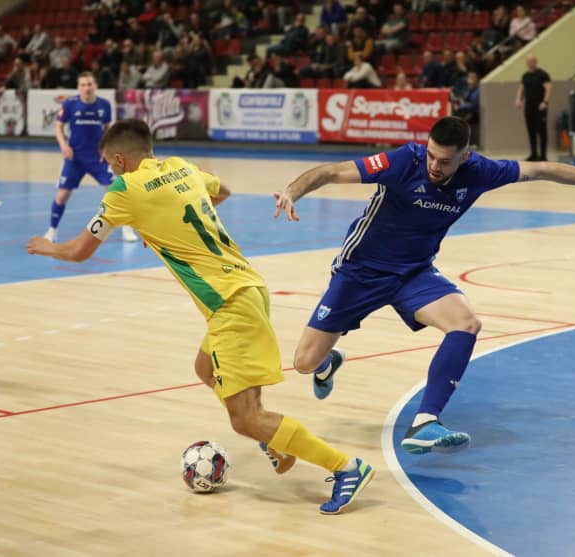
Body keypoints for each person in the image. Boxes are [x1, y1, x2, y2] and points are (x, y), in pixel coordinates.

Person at [26, 119, 375, 515]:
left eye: (108, 163)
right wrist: (167, 222)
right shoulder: (181, 166)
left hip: (230, 305)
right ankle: (276, 441)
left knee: (245, 419)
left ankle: (346, 467)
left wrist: (47, 247)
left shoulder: (124, 189)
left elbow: (79, 251)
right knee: (205, 368)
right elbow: (223, 191)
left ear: (120, 160)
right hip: (246, 288)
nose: (109, 171)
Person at [272, 116, 575, 455]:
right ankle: (326, 363)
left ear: (464, 156)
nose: (434, 165)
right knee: (304, 362)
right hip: (361, 272)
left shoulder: (480, 171)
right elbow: (331, 171)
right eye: (431, 155)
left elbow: (543, 169)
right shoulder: (403, 161)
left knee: (466, 323)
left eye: (445, 161)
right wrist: (292, 191)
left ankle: (425, 422)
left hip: (413, 273)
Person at [44, 72, 138, 243]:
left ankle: (127, 228)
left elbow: (108, 129)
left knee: (116, 191)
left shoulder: (104, 105)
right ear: (78, 87)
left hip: (98, 158)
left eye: (89, 84)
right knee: (62, 195)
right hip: (75, 158)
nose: (86, 88)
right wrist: (63, 145)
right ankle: (52, 230)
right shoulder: (70, 104)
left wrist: (108, 149)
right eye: (83, 85)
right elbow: (58, 125)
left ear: (95, 86)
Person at [515, 54, 551, 161]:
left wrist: (545, 102)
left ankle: (543, 155)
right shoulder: (525, 75)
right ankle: (534, 154)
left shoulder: (543, 74)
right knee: (531, 130)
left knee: (542, 131)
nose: (530, 63)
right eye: (528, 61)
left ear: (536, 61)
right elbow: (521, 88)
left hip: (540, 107)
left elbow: (548, 88)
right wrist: (518, 100)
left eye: (532, 61)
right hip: (529, 107)